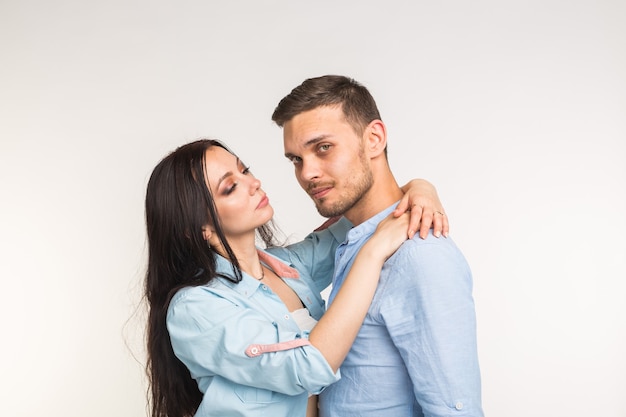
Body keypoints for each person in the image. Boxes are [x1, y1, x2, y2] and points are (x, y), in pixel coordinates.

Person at [144, 139, 449, 417]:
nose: (253, 183)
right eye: (230, 187)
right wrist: (372, 254)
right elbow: (309, 366)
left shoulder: (288, 265)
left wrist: (422, 188)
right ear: (200, 229)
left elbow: (368, 215)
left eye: (244, 170)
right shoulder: (196, 307)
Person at [272, 75, 484, 417]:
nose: (307, 172)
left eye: (323, 148)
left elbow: (456, 410)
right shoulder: (351, 241)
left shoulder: (420, 254)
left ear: (374, 139)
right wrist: (420, 185)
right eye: (296, 159)